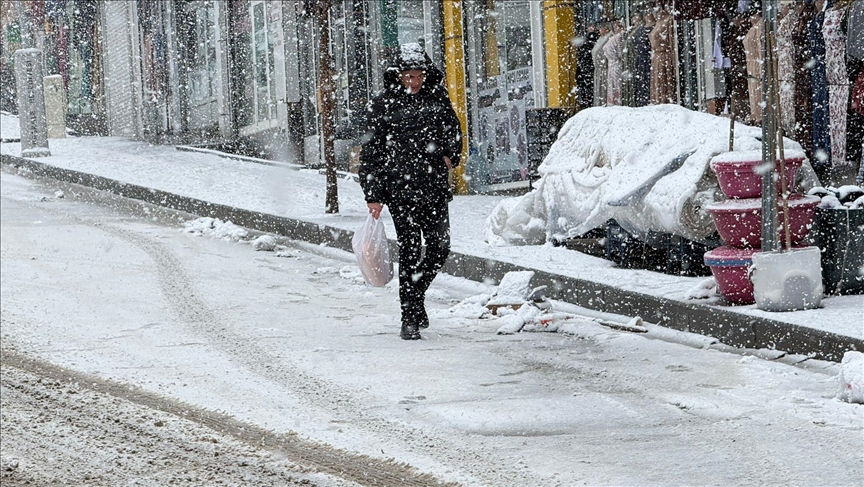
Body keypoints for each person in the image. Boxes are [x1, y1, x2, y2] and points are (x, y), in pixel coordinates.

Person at [358, 43, 463, 340]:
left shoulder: (437, 97)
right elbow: (371, 152)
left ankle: (415, 297)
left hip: (433, 187)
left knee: (440, 247)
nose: (413, 82)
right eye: (407, 76)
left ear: (425, 75)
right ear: (397, 75)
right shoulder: (382, 104)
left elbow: (453, 131)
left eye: (417, 76)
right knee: (410, 249)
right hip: (400, 190)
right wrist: (373, 195)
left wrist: (450, 154)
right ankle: (409, 317)